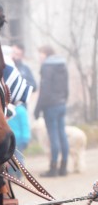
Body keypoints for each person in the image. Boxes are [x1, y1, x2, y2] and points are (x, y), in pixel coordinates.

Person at [34, 45, 69, 177]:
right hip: (61, 104)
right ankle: (63, 167)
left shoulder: (47, 67)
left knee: (53, 136)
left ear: (46, 54)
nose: (39, 57)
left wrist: (38, 108)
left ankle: (53, 168)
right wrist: (64, 100)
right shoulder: (62, 65)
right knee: (62, 134)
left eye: (40, 54)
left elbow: (44, 90)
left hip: (50, 106)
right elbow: (66, 87)